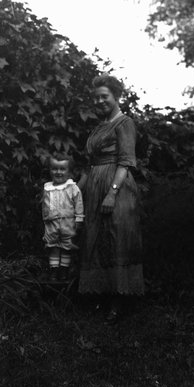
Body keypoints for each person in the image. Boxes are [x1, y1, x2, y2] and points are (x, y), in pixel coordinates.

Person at [78, 74, 144, 322]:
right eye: (95, 98)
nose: (99, 101)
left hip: (116, 189)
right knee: (96, 240)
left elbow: (125, 162)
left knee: (117, 239)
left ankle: (118, 303)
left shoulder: (124, 123)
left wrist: (112, 193)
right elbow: (89, 166)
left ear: (116, 96)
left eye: (104, 96)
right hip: (94, 188)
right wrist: (74, 192)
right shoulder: (98, 127)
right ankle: (100, 297)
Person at [42, 152, 84, 281]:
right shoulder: (47, 188)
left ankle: (64, 271)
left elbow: (79, 204)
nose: (58, 172)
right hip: (51, 223)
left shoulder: (72, 187)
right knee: (53, 246)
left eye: (62, 169)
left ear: (69, 171)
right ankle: (54, 271)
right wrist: (46, 218)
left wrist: (79, 219)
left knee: (67, 246)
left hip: (68, 222)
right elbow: (44, 206)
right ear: (50, 170)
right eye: (54, 169)